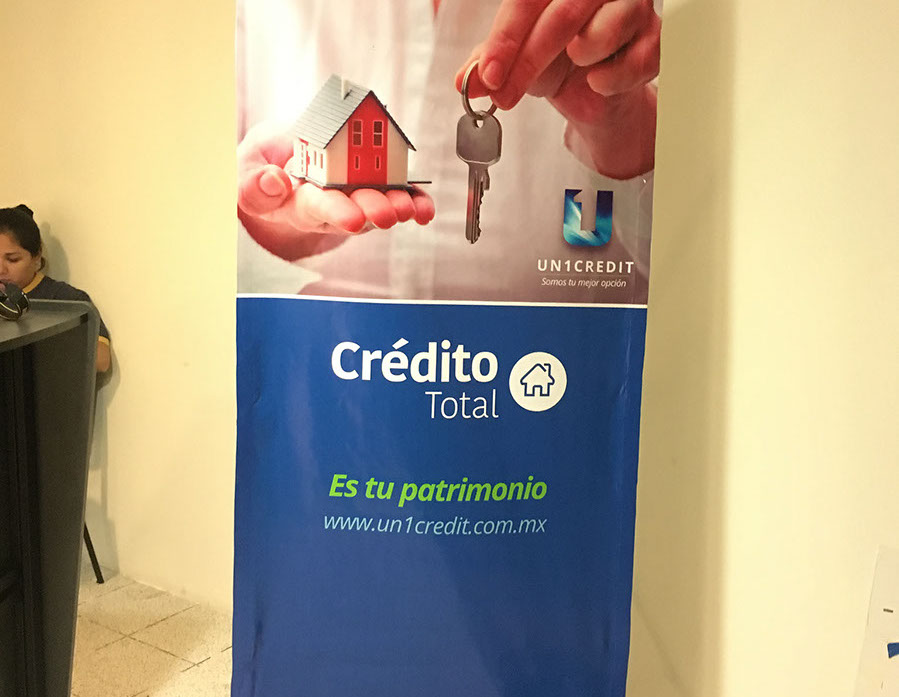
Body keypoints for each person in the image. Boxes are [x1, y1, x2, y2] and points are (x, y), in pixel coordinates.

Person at [237, 0, 661, 304]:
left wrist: (622, 125)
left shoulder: (633, 19)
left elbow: (684, 285)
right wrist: (268, 223)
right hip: (324, 372)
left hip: (555, 379)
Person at [0, 205, 111, 372]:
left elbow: (101, 360)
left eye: (13, 260)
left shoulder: (65, 298)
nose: (1, 269)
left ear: (36, 256)